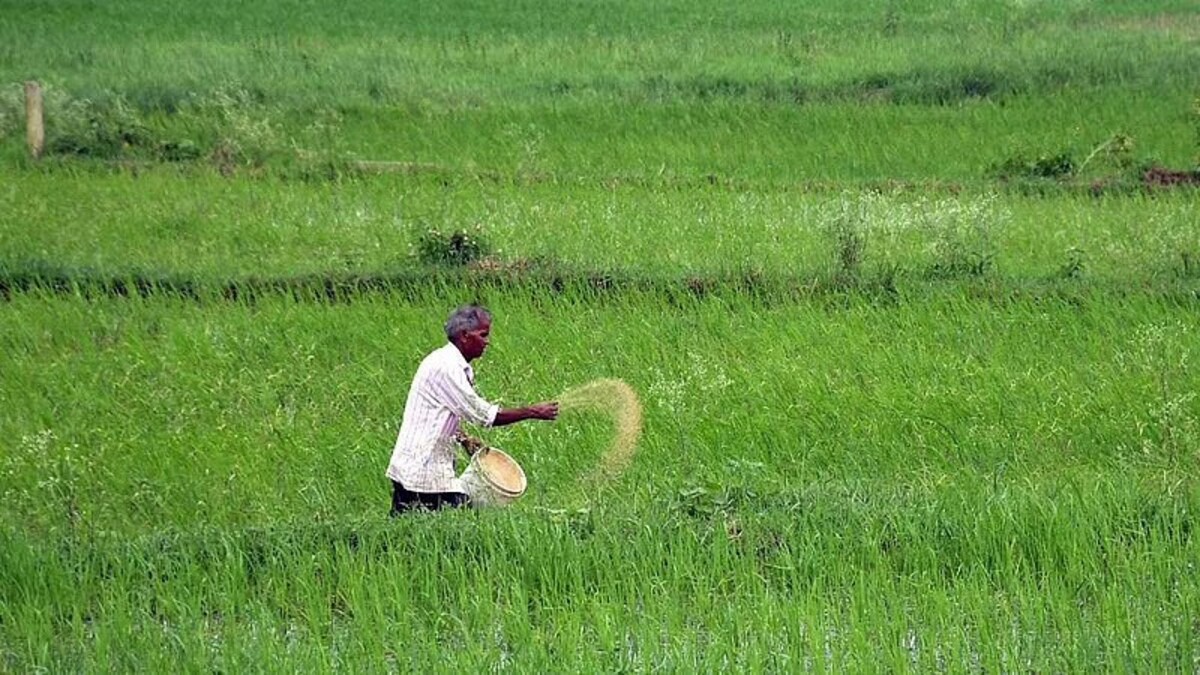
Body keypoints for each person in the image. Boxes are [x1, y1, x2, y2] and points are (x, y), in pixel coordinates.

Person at [385, 305, 558, 514]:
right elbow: (484, 415)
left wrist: (463, 438)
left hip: (420, 467)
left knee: (411, 527)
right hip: (423, 470)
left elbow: (440, 413)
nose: (487, 341)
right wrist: (533, 412)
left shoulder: (452, 364)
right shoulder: (447, 367)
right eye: (483, 335)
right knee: (457, 518)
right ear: (465, 335)